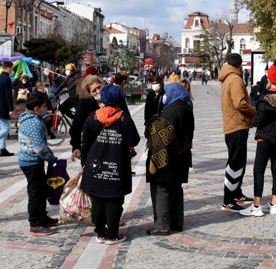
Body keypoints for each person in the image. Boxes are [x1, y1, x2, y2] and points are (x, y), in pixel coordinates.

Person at [80, 85, 141, 244]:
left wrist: (84, 163)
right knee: (114, 201)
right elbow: (134, 140)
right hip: (117, 166)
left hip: (95, 166)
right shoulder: (123, 118)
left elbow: (85, 143)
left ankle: (100, 233)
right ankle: (112, 234)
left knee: (98, 199)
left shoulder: (93, 116)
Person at [240, 62, 276, 217]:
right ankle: (273, 204)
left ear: (270, 78)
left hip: (265, 138)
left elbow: (258, 121)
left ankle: (257, 206)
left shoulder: (266, 99)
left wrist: (251, 119)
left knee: (259, 170)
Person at [145, 82, 194, 235]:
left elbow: (158, 131)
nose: (164, 96)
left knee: (161, 189)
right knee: (176, 189)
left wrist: (152, 122)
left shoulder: (172, 110)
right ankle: (176, 222)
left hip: (167, 158)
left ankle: (162, 225)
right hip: (181, 156)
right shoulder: (186, 108)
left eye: (166, 93)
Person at [17, 93, 60, 236]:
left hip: (32, 160)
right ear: (36, 108)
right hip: (31, 162)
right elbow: (40, 148)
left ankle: (43, 218)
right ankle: (35, 223)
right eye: (43, 107)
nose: (46, 109)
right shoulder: (34, 123)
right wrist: (50, 158)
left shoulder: (29, 118)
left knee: (41, 191)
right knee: (36, 193)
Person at [219, 53, 257, 211]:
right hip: (237, 126)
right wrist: (254, 111)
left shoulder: (228, 77)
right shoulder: (235, 79)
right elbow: (240, 103)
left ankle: (236, 193)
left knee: (238, 160)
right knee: (235, 163)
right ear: (240, 65)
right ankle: (228, 199)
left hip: (233, 125)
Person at [70, 75, 103, 163]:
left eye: (99, 87)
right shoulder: (85, 103)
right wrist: (76, 146)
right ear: (89, 93)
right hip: (92, 147)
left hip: (110, 147)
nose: (98, 91)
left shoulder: (111, 99)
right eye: (94, 90)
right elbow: (76, 127)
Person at [0, 61, 15, 157]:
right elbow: (8, 95)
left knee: (3, 127)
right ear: (8, 68)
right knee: (6, 128)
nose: (12, 70)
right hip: (3, 106)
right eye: (12, 68)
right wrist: (10, 109)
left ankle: (3, 148)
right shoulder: (7, 79)